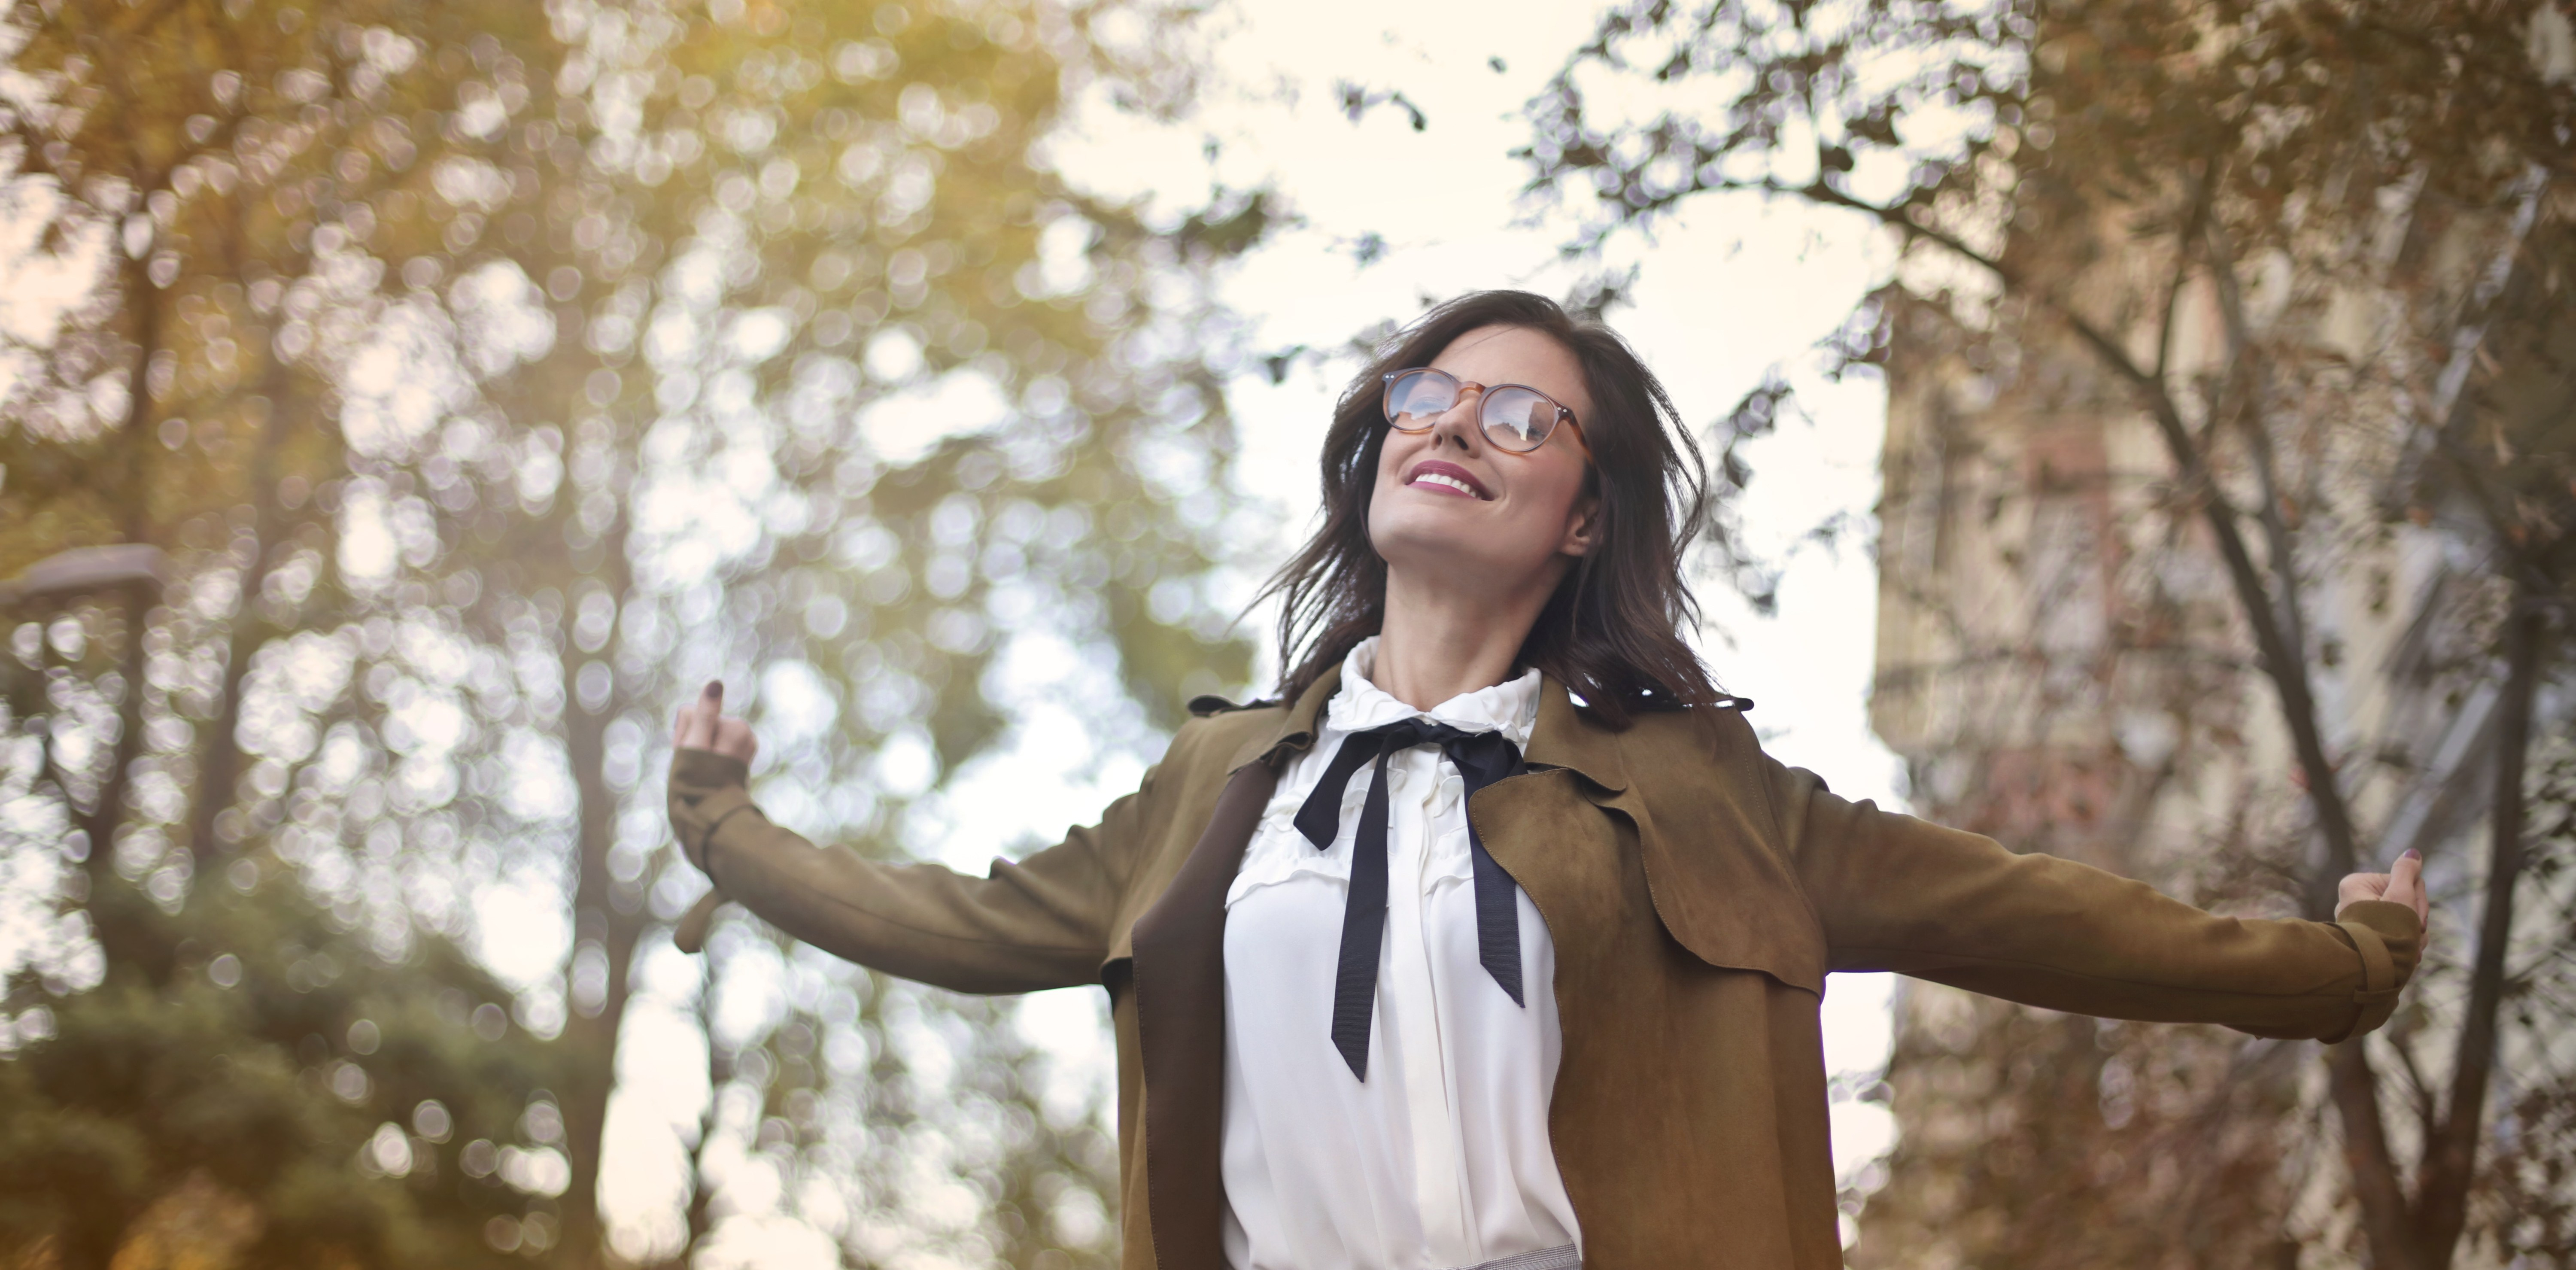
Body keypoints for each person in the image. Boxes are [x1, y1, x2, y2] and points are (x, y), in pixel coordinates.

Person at [666, 290, 2429, 1270]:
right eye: (1431, 394)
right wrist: (726, 828)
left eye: (1521, 414)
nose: (1454, 422)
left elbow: (2035, 912)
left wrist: (2338, 968)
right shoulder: (1223, 780)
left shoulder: (1702, 790)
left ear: (1582, 515)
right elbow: (960, 922)